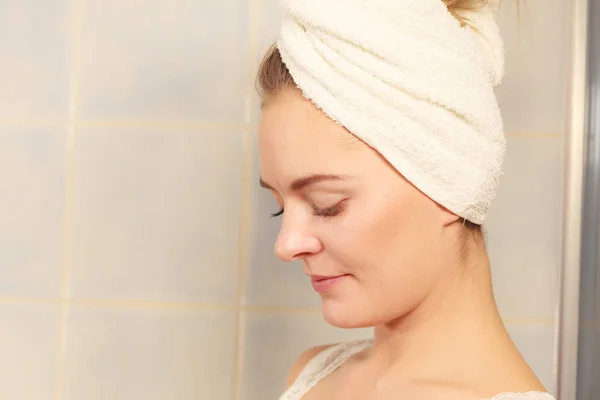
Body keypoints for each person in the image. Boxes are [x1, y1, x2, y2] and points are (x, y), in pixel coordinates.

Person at [256, 0, 555, 399]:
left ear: (452, 181)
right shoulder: (313, 373)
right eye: (279, 205)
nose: (286, 245)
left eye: (328, 203)